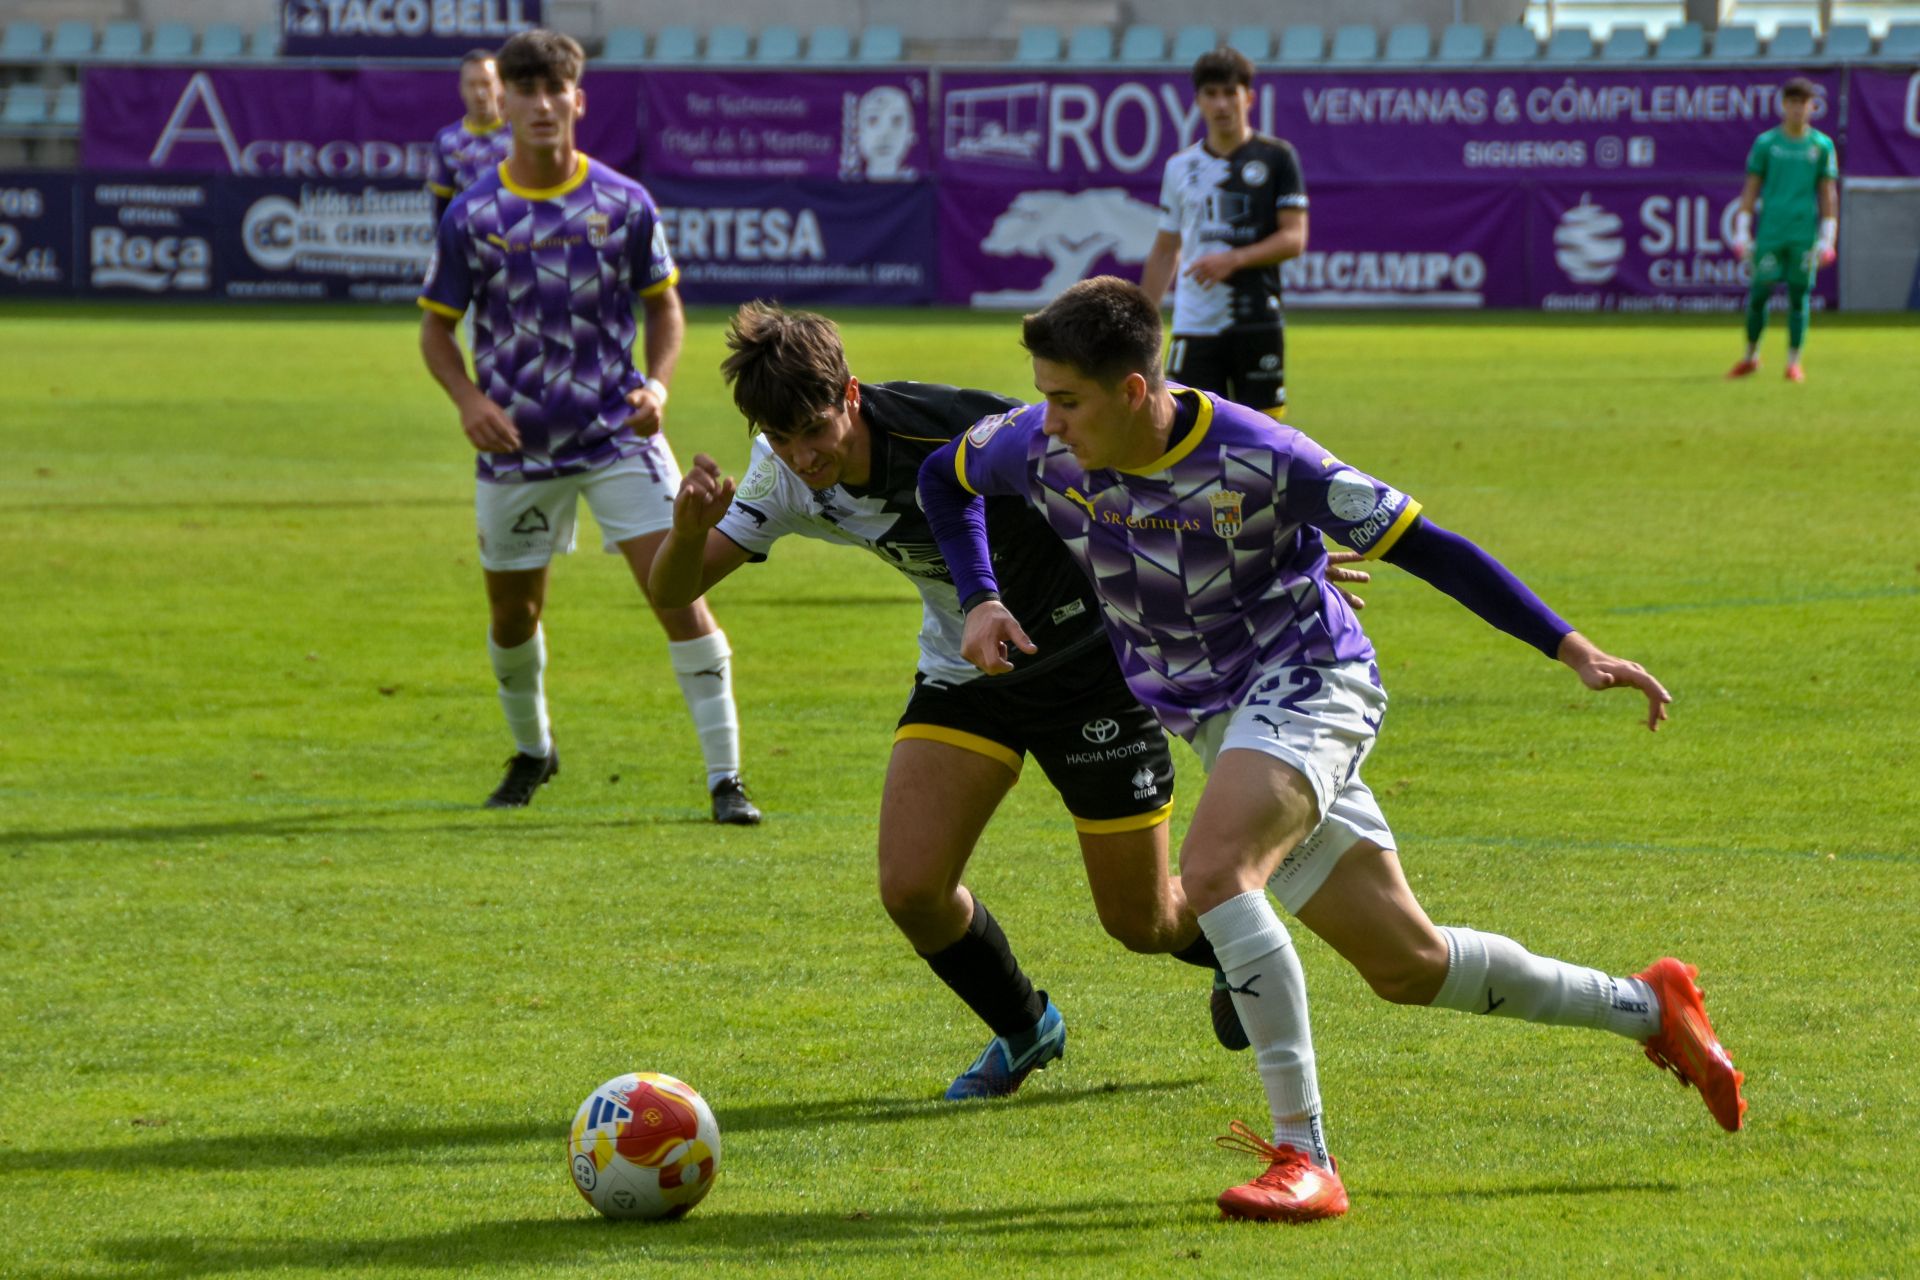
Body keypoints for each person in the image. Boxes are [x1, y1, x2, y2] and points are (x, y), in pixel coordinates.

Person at [918, 277, 1746, 1223]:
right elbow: (945, 480)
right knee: (1409, 966)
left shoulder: (1265, 458)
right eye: (1044, 397)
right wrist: (981, 595)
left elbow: (1428, 544)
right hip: (1220, 721)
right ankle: (1651, 1005)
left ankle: (1303, 1154)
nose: (1047, 421)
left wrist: (1571, 646)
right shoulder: (1037, 445)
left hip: (1312, 682)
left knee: (1217, 870)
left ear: (1135, 393)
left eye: (1067, 400)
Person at [647, 304, 1359, 1096]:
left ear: (850, 395)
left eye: (814, 431)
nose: (802, 457)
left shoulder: (953, 428)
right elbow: (676, 590)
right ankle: (1025, 1027)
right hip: (970, 670)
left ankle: (1232, 943)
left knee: (1142, 921)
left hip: (1094, 669)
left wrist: (1266, 541)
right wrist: (685, 532)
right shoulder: (779, 472)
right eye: (781, 441)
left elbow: (1142, 447)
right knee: (911, 889)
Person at [416, 29, 759, 824]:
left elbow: (664, 304)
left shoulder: (623, 203)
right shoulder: (473, 215)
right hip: (518, 451)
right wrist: (470, 402)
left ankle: (727, 779)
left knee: (679, 593)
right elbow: (436, 329)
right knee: (513, 614)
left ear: (578, 99)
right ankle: (534, 751)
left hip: (617, 439)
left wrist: (660, 386)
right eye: (524, 90)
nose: (540, 104)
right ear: (505, 103)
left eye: (553, 89)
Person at [1138, 47, 1307, 417]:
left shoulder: (1277, 157)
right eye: (1211, 94)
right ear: (1197, 101)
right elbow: (1166, 249)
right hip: (1194, 323)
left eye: (1230, 93)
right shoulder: (1179, 167)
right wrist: (1141, 322)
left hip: (1257, 318)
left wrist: (1235, 259)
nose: (1222, 104)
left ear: (1248, 97)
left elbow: (1294, 238)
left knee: (1264, 432)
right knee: (1186, 428)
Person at [1727, 77, 1838, 383]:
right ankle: (1750, 356)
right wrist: (1742, 230)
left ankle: (1793, 362)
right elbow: (1751, 187)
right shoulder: (1767, 144)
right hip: (1771, 232)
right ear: (1783, 106)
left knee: (1799, 297)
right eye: (1792, 103)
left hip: (1803, 233)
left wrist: (1828, 237)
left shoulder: (1821, 146)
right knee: (1760, 293)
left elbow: (1827, 193)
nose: (1797, 109)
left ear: (1812, 107)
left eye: (1803, 104)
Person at [425, 49, 512, 226]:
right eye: (472, 85)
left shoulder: (521, 133)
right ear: (461, 89)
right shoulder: (448, 140)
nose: (479, 93)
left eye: (486, 83)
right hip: (471, 242)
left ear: (501, 87)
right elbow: (442, 207)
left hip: (518, 240)